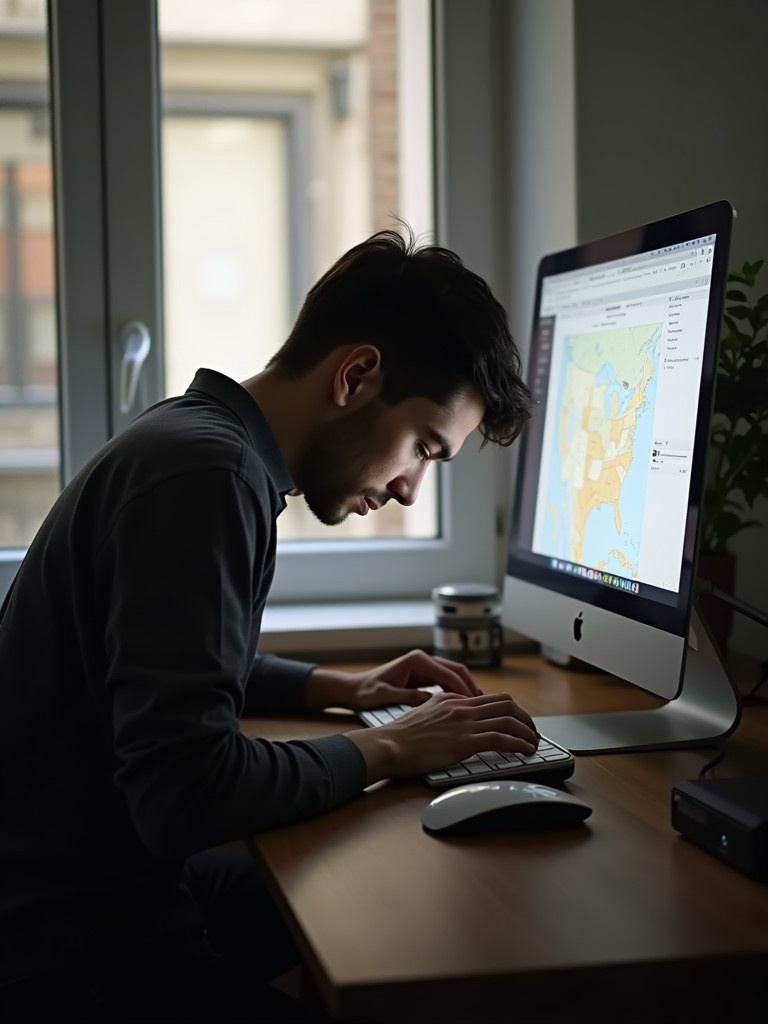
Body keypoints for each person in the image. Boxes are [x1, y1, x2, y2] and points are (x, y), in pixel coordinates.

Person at [0, 227, 534, 1021]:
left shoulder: (194, 440)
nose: (412, 489)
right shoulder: (207, 478)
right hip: (67, 948)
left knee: (373, 881)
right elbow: (184, 794)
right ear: (356, 375)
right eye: (423, 447)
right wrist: (390, 744)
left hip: (94, 893)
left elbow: (165, 664)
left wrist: (343, 688)